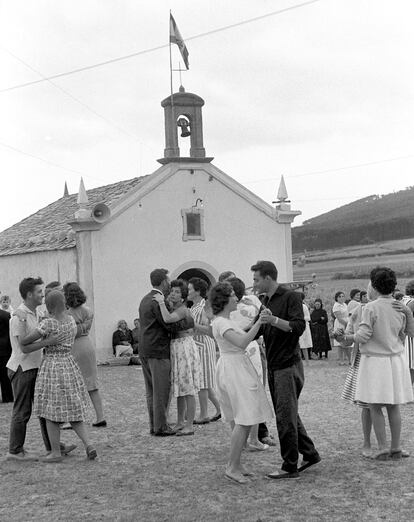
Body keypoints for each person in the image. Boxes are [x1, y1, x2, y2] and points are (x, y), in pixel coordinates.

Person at [251, 260, 320, 479]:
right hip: (274, 366)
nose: (253, 284)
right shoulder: (264, 301)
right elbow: (254, 331)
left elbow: (298, 327)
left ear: (268, 278)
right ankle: (310, 453)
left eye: (256, 279)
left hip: (288, 366)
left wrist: (274, 320)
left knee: (285, 416)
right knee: (288, 413)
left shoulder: (291, 297)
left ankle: (290, 466)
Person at [338, 267, 414, 460]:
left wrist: (345, 337)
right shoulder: (400, 307)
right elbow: (405, 334)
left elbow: (363, 335)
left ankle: (381, 447)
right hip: (396, 360)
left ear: (373, 285)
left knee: (374, 406)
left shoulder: (370, 307)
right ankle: (395, 447)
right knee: (393, 406)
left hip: (375, 362)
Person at [20, 290, 97, 462]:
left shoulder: (49, 324)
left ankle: (55, 452)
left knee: (50, 411)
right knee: (73, 410)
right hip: (69, 364)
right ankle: (89, 444)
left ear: (49, 307)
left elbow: (25, 341)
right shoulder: (70, 321)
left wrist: (23, 320)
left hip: (52, 366)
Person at [5, 277, 75, 461]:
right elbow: (23, 347)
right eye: (38, 292)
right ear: (29, 294)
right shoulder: (18, 316)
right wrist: (48, 342)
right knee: (23, 410)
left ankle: (54, 447)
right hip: (22, 368)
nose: (42, 295)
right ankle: (15, 450)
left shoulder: (35, 313)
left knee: (45, 409)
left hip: (35, 367)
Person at [210, 282, 273, 484]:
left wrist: (257, 321)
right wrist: (260, 322)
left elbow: (240, 333)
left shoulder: (224, 321)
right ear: (224, 300)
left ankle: (237, 464)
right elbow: (242, 342)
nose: (237, 298)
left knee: (243, 418)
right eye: (232, 296)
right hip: (234, 369)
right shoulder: (221, 322)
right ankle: (232, 466)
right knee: (244, 418)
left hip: (232, 366)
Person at [227, 276, 269, 452]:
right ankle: (253, 439)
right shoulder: (253, 304)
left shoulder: (225, 311)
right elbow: (266, 315)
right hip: (250, 346)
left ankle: (240, 440)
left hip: (231, 349)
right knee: (253, 394)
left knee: (235, 397)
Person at [153, 279, 198, 436]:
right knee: (180, 386)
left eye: (177, 292)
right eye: (172, 290)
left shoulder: (183, 310)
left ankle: (190, 424)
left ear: (183, 296)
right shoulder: (177, 307)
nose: (173, 293)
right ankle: (180, 421)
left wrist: (160, 302)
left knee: (188, 387)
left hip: (184, 346)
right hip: (177, 346)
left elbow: (168, 319)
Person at [138, 268, 177, 436]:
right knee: (161, 390)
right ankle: (161, 426)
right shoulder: (156, 301)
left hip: (145, 348)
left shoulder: (144, 299)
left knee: (151, 390)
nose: (169, 283)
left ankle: (154, 424)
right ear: (163, 282)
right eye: (168, 281)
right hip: (158, 350)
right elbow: (167, 323)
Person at [63, 282, 106, 428]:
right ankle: (100, 416)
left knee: (74, 385)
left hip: (73, 347)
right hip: (87, 345)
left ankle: (76, 419)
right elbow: (84, 329)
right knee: (92, 383)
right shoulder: (88, 311)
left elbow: (68, 332)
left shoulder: (66, 314)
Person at [188, 277, 221, 424]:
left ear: (198, 291)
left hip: (203, 345)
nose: (187, 292)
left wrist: (190, 325)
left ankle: (204, 414)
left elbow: (207, 328)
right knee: (204, 382)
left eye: (189, 289)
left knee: (203, 382)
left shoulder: (203, 306)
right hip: (196, 345)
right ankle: (221, 409)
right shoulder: (193, 307)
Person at [332, 291, 350, 365]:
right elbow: (339, 318)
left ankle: (349, 359)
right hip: (340, 324)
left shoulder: (345, 304)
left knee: (346, 342)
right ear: (336, 298)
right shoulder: (336, 306)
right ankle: (341, 360)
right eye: (340, 296)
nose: (342, 298)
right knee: (340, 342)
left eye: (343, 296)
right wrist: (346, 324)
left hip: (347, 322)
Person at [402, 280, 414, 384]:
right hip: (411, 336)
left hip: (407, 335)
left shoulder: (404, 300)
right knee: (411, 364)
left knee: (410, 364)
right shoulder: (412, 302)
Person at [0, 307, 13, 403]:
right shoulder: (5, 315)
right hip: (4, 348)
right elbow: (10, 333)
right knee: (5, 375)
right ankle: (7, 397)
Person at [298, 293, 313, 364]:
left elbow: (308, 317)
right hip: (296, 326)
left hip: (303, 327)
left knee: (304, 345)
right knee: (298, 345)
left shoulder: (304, 307)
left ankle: (307, 362)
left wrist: (299, 319)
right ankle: (299, 361)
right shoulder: (294, 306)